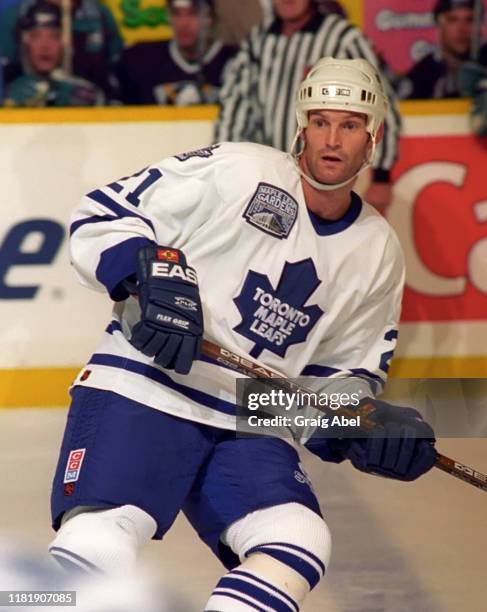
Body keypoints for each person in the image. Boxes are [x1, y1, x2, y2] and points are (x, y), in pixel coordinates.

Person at [49, 58, 436, 612]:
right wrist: (145, 275)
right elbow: (105, 212)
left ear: (373, 138)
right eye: (320, 122)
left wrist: (360, 425)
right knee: (102, 537)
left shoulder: (377, 252)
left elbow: (339, 378)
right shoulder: (238, 169)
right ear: (299, 126)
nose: (332, 140)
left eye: (349, 126)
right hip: (145, 384)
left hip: (251, 416)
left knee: (297, 539)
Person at [214, 0, 402, 212]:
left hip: (327, 186)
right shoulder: (258, 40)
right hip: (270, 180)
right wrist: (225, 166)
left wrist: (381, 177)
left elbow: (383, 105)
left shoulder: (342, 38)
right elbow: (236, 105)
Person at [0, 0, 122, 103]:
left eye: (54, 36)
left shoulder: (99, 16)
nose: (45, 46)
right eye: (36, 36)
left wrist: (94, 99)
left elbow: (114, 81)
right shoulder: (16, 16)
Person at [118, 0, 237, 105]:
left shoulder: (234, 61)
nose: (183, 24)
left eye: (193, 13)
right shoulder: (143, 59)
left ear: (210, 17)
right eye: (176, 13)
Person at [397, 0, 487, 100]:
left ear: (480, 25)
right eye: (452, 20)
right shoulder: (423, 73)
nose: (462, 29)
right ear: (439, 25)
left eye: (470, 20)